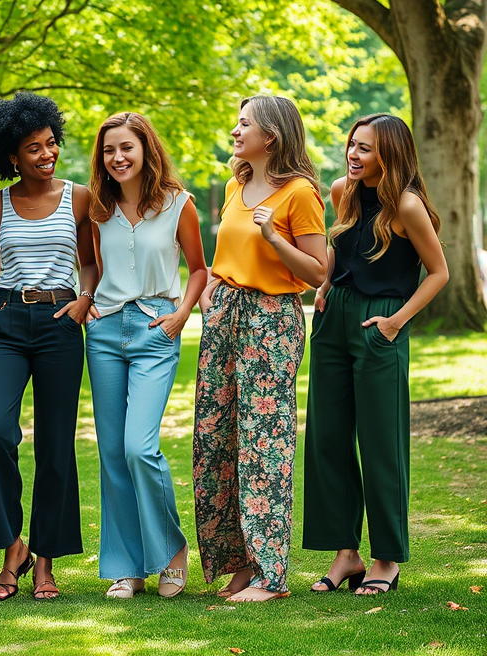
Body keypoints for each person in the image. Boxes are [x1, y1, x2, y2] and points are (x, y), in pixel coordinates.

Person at [303, 114, 448, 596]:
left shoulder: (407, 205)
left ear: (390, 153)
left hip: (379, 325)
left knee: (381, 444)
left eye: (365, 148)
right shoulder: (343, 190)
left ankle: (386, 558)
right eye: (352, 144)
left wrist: (395, 321)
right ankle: (347, 554)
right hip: (333, 321)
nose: (353, 154)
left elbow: (438, 273)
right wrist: (325, 284)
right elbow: (340, 252)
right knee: (328, 438)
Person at [193, 95, 328, 602]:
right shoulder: (235, 183)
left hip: (271, 320)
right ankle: (239, 565)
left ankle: (271, 574)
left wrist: (273, 235)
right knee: (216, 438)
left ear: (270, 135)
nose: (235, 129)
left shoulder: (300, 194)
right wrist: (208, 285)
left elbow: (317, 273)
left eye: (244, 123)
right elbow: (226, 250)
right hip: (224, 312)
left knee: (263, 443)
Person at [0, 92, 97, 601]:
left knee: (55, 445)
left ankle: (45, 564)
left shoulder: (80, 197)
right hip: (5, 319)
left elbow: (90, 262)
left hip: (60, 322)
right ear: (11, 157)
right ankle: (12, 547)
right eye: (32, 148)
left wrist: (85, 299)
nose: (46, 155)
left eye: (50, 144)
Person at [85, 112, 208, 599]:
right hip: (105, 331)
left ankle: (171, 550)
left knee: (140, 446)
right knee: (112, 452)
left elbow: (198, 269)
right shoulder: (97, 207)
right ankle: (127, 565)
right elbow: (92, 264)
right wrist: (89, 301)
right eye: (109, 150)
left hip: (157, 326)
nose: (118, 158)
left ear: (146, 150)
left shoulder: (180, 205)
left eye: (127, 148)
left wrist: (180, 315)